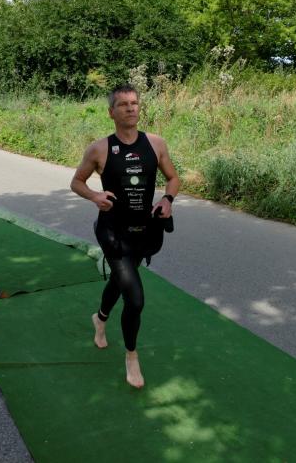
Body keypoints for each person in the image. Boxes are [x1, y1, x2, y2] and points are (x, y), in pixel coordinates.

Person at [70, 84, 180, 388]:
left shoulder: (156, 144)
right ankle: (132, 357)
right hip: (113, 233)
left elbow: (173, 178)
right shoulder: (99, 149)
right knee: (135, 298)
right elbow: (76, 182)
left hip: (144, 231)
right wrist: (95, 196)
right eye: (123, 104)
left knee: (120, 280)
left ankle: (100, 318)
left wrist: (167, 199)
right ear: (111, 112)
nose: (131, 108)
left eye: (134, 103)